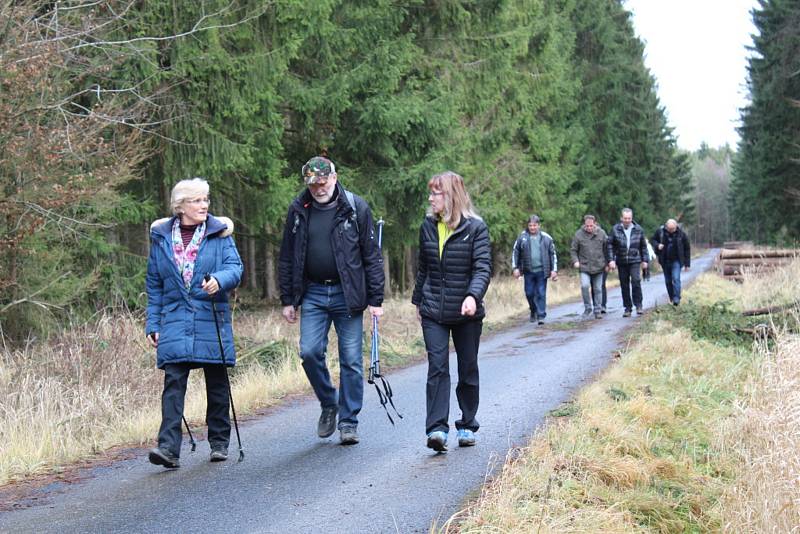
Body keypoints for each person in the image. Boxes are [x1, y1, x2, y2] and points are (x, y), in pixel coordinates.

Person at [278, 156, 384, 446]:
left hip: (347, 294)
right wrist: (288, 299)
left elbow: (371, 256)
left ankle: (349, 422)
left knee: (350, 360)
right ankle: (329, 402)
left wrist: (376, 298)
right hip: (312, 293)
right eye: (313, 184)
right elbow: (287, 256)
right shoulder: (298, 209)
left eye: (323, 182)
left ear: (334, 178)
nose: (319, 188)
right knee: (309, 352)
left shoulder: (355, 207)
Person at [145, 178, 243, 468]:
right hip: (174, 316)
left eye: (206, 200)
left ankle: (219, 443)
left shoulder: (220, 234)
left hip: (211, 314)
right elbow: (154, 284)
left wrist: (219, 280)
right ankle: (168, 449)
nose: (204, 205)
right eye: (197, 200)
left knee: (217, 380)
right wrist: (153, 323)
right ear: (181, 206)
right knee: (174, 380)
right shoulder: (161, 238)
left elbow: (235, 268)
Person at [412, 171, 491, 452]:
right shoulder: (428, 226)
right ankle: (436, 429)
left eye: (436, 193)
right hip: (433, 308)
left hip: (467, 312)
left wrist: (473, 296)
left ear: (451, 196)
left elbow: (482, 268)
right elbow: (424, 267)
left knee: (467, 367)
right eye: (431, 193)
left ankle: (467, 424)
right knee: (437, 367)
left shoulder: (476, 228)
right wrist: (418, 301)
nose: (431, 198)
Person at [511, 215, 558, 324]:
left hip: (542, 271)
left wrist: (554, 270)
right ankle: (533, 310)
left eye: (534, 225)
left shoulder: (546, 238)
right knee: (529, 293)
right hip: (528, 271)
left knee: (541, 293)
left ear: (539, 225)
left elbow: (553, 254)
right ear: (528, 226)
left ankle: (541, 315)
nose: (532, 227)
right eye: (530, 225)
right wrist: (515, 268)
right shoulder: (522, 237)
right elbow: (515, 252)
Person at [607, 208, 649, 317]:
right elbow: (610, 245)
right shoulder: (615, 229)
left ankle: (638, 305)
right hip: (621, 260)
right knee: (624, 284)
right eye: (625, 218)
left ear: (632, 218)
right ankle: (627, 308)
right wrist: (611, 260)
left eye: (629, 218)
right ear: (621, 218)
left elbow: (643, 246)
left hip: (635, 260)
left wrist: (645, 260)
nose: (627, 220)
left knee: (636, 281)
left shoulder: (638, 229)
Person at [570, 215, 610, 319]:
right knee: (584, 286)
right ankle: (588, 307)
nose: (589, 228)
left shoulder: (602, 233)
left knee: (598, 289)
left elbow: (608, 249)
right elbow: (573, 250)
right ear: (584, 224)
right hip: (584, 267)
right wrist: (576, 261)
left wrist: (608, 263)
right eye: (587, 226)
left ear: (595, 223)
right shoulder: (578, 235)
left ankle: (598, 309)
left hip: (599, 266)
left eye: (591, 226)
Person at [650, 218, 691, 305]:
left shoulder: (681, 234)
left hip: (677, 260)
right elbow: (652, 240)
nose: (671, 231)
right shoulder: (660, 232)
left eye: (673, 229)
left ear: (676, 226)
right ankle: (672, 298)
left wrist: (687, 264)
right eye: (669, 229)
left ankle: (677, 298)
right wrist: (657, 245)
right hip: (665, 260)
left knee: (676, 278)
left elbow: (687, 249)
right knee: (668, 281)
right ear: (666, 227)